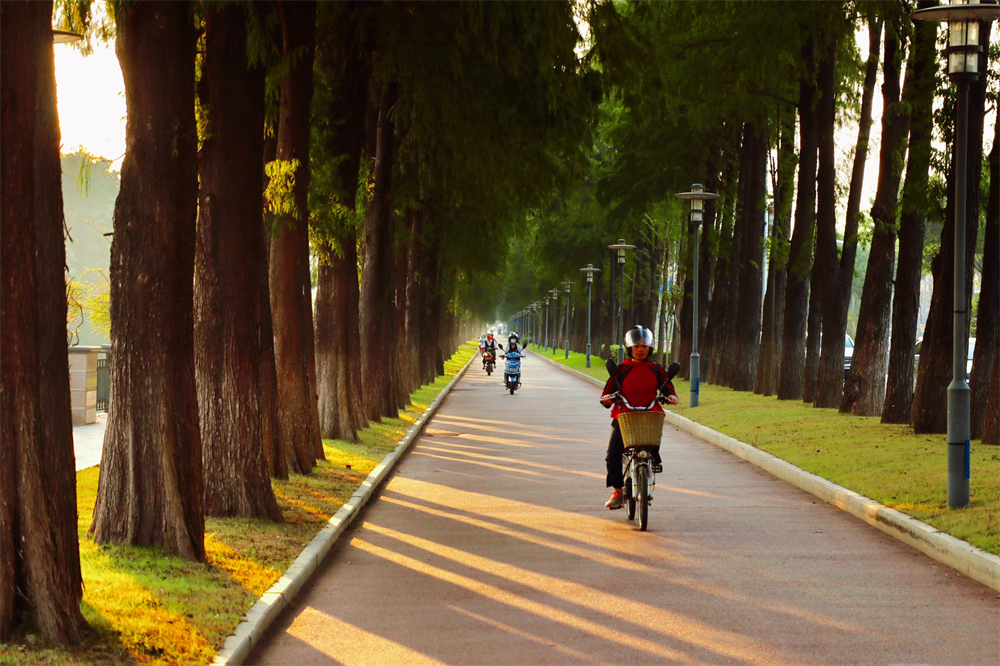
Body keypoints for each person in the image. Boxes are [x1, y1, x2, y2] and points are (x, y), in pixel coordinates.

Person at [599, 325, 678, 510]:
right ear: (630, 348)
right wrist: (608, 399)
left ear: (650, 348)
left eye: (644, 346)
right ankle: (618, 491)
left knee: (652, 447)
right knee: (613, 455)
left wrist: (671, 397)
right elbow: (607, 393)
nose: (640, 349)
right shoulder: (621, 369)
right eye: (636, 346)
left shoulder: (656, 369)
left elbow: (667, 389)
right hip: (624, 417)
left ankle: (651, 464)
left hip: (649, 416)